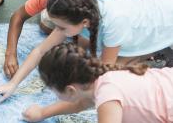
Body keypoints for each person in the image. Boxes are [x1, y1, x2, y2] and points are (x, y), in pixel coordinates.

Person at [0, 0, 173, 104]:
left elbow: (104, 77)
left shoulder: (114, 22)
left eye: (62, 28)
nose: (57, 30)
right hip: (148, 19)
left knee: (116, 76)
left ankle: (159, 52)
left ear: (84, 24)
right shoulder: (83, 13)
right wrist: (13, 84)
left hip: (164, 23)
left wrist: (50, 107)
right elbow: (40, 50)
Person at [3, 0, 136, 78]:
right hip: (73, 8)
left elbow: (129, 17)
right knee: (46, 24)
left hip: (108, 16)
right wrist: (10, 54)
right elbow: (18, 16)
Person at [22, 43, 173, 123]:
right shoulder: (102, 77)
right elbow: (79, 104)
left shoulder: (107, 98)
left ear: (70, 90)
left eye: (52, 89)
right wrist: (42, 113)